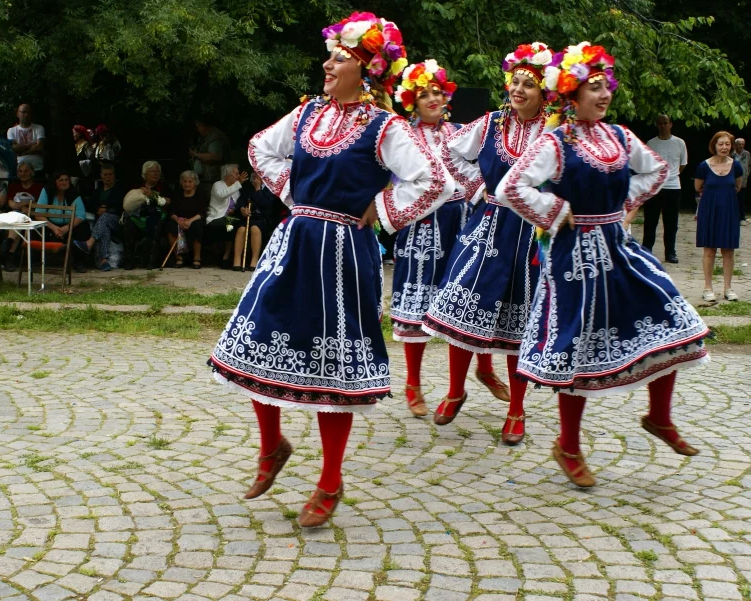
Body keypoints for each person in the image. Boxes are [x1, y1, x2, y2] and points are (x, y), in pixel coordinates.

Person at [209, 12, 453, 527]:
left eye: (339, 57)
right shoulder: (305, 116)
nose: (327, 63)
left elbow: (434, 182)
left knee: (332, 365)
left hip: (345, 250)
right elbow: (259, 148)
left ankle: (330, 480)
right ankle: (272, 447)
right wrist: (296, 193)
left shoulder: (385, 127)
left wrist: (382, 212)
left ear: (364, 69)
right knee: (254, 341)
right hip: (296, 240)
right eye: (332, 55)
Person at [497, 41, 709, 488]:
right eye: (592, 88)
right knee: (579, 347)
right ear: (571, 95)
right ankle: (568, 446)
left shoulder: (620, 136)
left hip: (618, 245)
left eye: (605, 85)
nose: (603, 94)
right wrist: (555, 212)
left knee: (672, 319)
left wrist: (625, 205)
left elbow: (654, 172)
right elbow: (511, 189)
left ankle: (659, 416)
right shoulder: (555, 142)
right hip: (572, 257)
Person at [421, 42, 560, 442]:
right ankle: (454, 390)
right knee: (463, 303)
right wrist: (476, 185)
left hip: (531, 232)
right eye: (515, 81)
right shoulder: (491, 123)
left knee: (523, 317)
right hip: (490, 222)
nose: (518, 90)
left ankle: (517, 410)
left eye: (528, 85)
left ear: (544, 93)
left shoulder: (553, 130)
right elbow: (448, 154)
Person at [388, 59, 502, 419]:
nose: (433, 99)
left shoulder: (459, 131)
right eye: (424, 95)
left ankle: (484, 367)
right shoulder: (401, 133)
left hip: (462, 218)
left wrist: (480, 190)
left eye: (437, 92)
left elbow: (483, 164)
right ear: (412, 101)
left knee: (470, 291)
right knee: (419, 301)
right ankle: (413, 383)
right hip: (422, 223)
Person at [696, 131, 744, 301]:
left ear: (731, 146)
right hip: (709, 209)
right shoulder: (704, 166)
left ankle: (728, 288)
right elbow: (698, 187)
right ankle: (708, 288)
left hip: (729, 210)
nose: (724, 147)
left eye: (727, 144)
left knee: (728, 250)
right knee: (709, 249)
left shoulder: (736, 166)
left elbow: (737, 186)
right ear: (714, 146)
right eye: (720, 144)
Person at [644, 114, 687, 263]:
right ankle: (646, 249)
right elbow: (647, 164)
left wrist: (671, 175)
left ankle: (670, 252)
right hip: (655, 187)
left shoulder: (679, 143)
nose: (662, 126)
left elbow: (683, 163)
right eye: (660, 123)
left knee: (671, 222)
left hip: (673, 186)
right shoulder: (651, 143)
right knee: (650, 220)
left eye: (665, 123)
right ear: (657, 125)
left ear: (671, 124)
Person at [73, 163, 127, 271]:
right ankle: (104, 261)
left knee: (106, 217)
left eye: (110, 174)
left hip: (117, 220)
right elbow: (91, 205)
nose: (108, 177)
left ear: (114, 175)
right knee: (105, 227)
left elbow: (122, 206)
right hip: (102, 222)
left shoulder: (120, 189)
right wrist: (98, 209)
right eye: (105, 174)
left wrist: (106, 209)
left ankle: (89, 243)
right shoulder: (97, 192)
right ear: (101, 176)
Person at [35, 171, 91, 272]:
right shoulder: (47, 191)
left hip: (69, 225)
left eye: (66, 180)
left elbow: (81, 215)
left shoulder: (73, 192)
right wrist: (53, 227)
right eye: (61, 180)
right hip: (50, 225)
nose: (64, 183)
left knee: (83, 228)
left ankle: (79, 262)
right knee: (34, 228)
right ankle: (35, 260)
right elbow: (38, 214)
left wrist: (66, 228)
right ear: (54, 182)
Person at [121, 161, 172, 270]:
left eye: (158, 172)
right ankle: (128, 260)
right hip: (138, 217)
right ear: (145, 174)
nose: (156, 174)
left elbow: (168, 201)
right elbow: (128, 202)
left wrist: (153, 195)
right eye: (152, 171)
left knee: (157, 224)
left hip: (157, 217)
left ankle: (152, 261)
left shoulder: (164, 187)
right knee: (128, 224)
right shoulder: (136, 186)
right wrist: (139, 193)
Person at [231, 172, 282, 270]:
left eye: (257, 174)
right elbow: (241, 200)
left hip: (263, 218)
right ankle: (237, 260)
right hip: (248, 217)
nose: (254, 176)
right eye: (253, 174)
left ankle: (254, 260)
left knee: (254, 228)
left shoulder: (270, 188)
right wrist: (242, 209)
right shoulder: (247, 187)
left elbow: (267, 206)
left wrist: (258, 189)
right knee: (241, 229)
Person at [0, 162, 43, 271]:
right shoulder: (14, 186)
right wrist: (25, 205)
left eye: (26, 171)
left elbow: (40, 204)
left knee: (22, 221)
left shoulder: (38, 188)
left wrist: (24, 206)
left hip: (32, 216)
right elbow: (11, 204)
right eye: (20, 171)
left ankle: (9, 249)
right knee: (19, 220)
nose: (23, 174)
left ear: (32, 172)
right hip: (16, 215)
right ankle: (16, 255)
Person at [207, 164, 247, 267]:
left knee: (234, 225)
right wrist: (238, 184)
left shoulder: (236, 189)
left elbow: (237, 204)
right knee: (230, 225)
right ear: (227, 175)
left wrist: (234, 210)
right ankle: (221, 254)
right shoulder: (218, 185)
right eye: (236, 173)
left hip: (229, 219)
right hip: (216, 218)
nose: (238, 176)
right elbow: (222, 195)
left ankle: (226, 255)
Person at [167, 171, 206, 268]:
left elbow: (202, 212)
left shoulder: (201, 192)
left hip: (194, 219)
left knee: (197, 226)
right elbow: (171, 211)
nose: (187, 184)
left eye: (190, 181)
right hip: (179, 219)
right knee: (170, 226)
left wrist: (189, 221)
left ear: (195, 182)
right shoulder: (177, 192)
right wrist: (178, 220)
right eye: (185, 181)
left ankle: (197, 258)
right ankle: (179, 258)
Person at [191, 116, 230, 194]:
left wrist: (196, 155)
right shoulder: (206, 137)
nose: (198, 129)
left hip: (213, 179)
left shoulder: (215, 137)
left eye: (199, 126)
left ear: (203, 126)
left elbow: (215, 156)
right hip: (207, 179)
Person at [7, 104, 46, 178]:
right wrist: (33, 145)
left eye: (29, 112)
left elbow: (39, 147)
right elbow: (14, 148)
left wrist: (22, 152)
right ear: (18, 114)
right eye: (23, 112)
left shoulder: (39, 128)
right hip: (20, 170)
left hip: (37, 169)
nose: (26, 114)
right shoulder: (11, 130)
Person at [73, 125, 95, 199]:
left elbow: (92, 159)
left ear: (79, 133)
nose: (73, 135)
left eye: (74, 133)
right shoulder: (75, 145)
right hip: (76, 173)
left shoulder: (86, 144)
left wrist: (82, 163)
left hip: (84, 175)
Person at [733, 138, 750, 224]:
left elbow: (749, 165)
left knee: (741, 199)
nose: (741, 146)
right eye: (739, 144)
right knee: (733, 199)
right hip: (732, 181)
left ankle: (742, 217)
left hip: (743, 180)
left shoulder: (747, 154)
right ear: (735, 145)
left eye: (743, 144)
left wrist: (747, 174)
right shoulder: (731, 154)